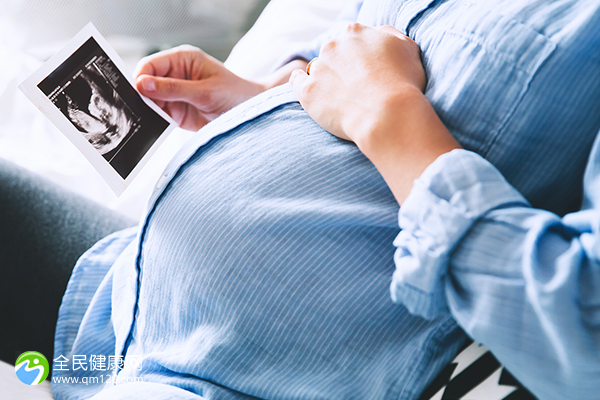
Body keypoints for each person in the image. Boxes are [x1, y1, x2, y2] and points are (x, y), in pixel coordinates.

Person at [1, 1, 599, 400]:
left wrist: (384, 111)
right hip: (124, 302)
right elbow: (372, 68)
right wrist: (266, 100)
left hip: (246, 376)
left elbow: (583, 328)